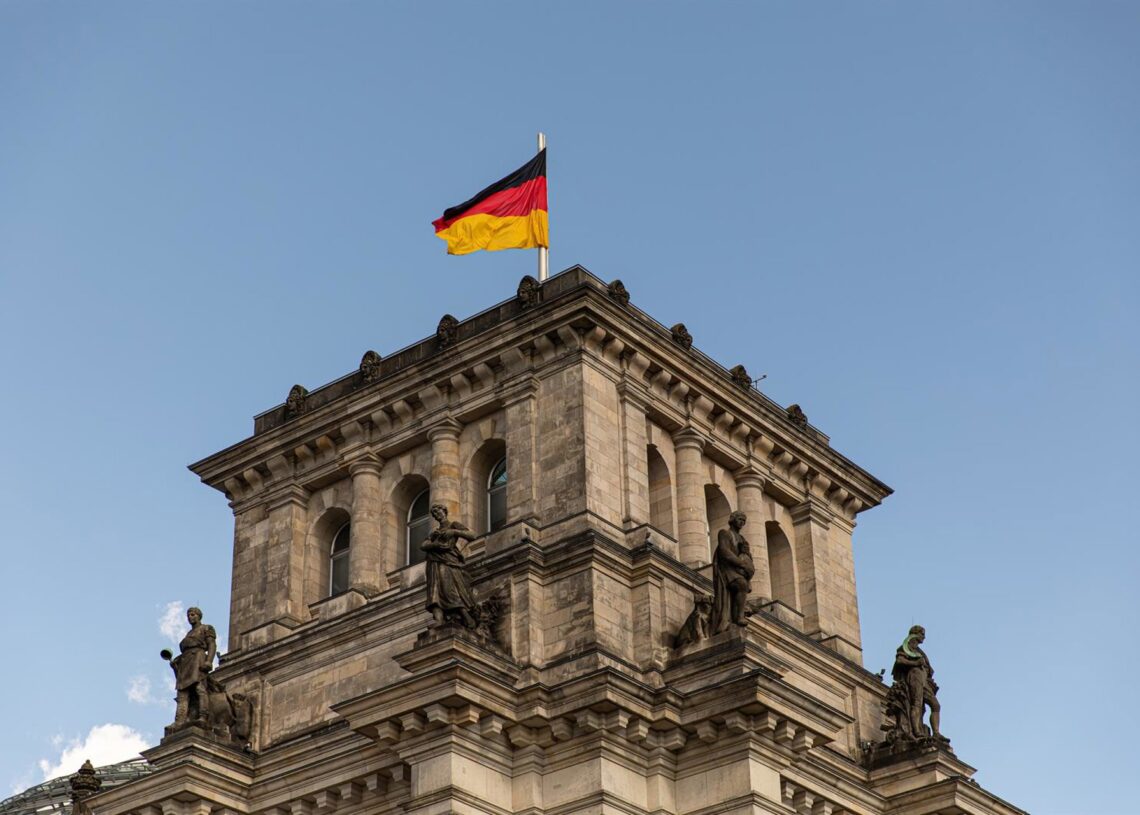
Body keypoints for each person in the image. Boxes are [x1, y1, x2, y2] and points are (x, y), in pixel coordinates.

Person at [421, 503, 478, 628]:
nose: (437, 515)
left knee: (449, 590)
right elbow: (423, 545)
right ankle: (439, 620)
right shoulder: (434, 532)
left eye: (438, 511)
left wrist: (454, 532)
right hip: (434, 562)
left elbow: (472, 535)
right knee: (434, 592)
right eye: (434, 513)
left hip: (448, 562)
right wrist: (435, 544)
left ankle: (467, 618)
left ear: (444, 511)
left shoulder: (453, 525)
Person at [891, 625, 943, 740]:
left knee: (936, 705)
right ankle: (916, 731)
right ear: (915, 634)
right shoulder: (906, 646)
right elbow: (899, 660)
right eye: (922, 634)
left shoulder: (920, 651)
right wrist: (915, 663)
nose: (924, 637)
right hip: (914, 676)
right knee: (917, 703)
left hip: (924, 680)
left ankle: (936, 733)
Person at [710, 510, 756, 634]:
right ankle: (739, 617)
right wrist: (741, 563)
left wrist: (747, 560)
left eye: (744, 521)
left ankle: (736, 616)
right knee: (741, 584)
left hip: (737, 570)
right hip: (726, 568)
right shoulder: (724, 533)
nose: (742, 523)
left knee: (743, 585)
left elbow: (747, 556)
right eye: (740, 519)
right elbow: (724, 551)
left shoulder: (742, 538)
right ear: (732, 519)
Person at [170, 607, 216, 727]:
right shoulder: (188, 634)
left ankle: (203, 716)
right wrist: (177, 661)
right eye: (189, 615)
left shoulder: (206, 628)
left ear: (199, 616)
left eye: (193, 614)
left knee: (199, 688)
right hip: (185, 662)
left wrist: (209, 661)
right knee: (182, 693)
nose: (190, 617)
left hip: (198, 659)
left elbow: (212, 645)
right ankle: (179, 720)